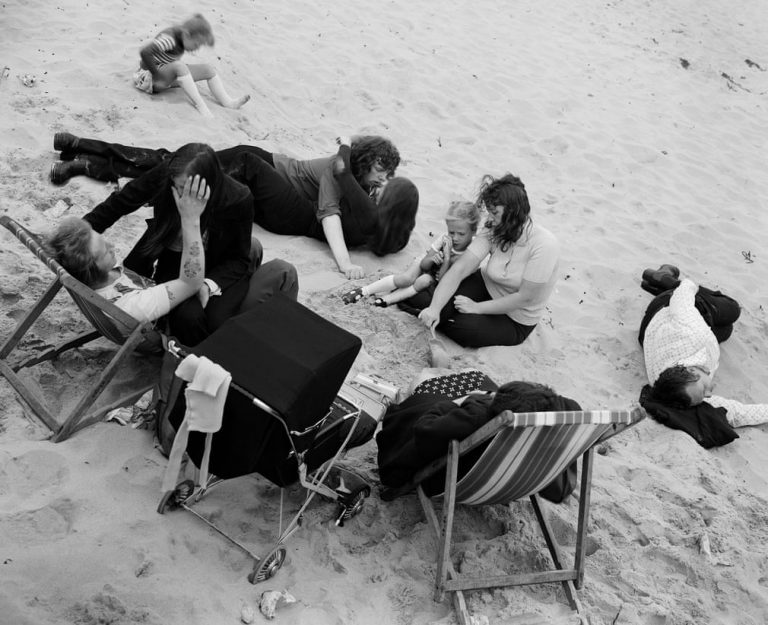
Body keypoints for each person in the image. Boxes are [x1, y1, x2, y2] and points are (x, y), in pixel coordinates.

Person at [48, 133, 419, 279]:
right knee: (171, 166)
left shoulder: (359, 186)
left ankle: (89, 159)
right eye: (380, 171)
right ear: (364, 162)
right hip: (264, 169)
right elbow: (330, 214)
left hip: (258, 178)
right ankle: (89, 154)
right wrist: (344, 264)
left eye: (390, 175)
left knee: (173, 167)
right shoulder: (338, 173)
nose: (384, 179)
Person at [74, 142, 295, 346]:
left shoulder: (237, 199)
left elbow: (238, 258)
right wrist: (80, 235)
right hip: (172, 257)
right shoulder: (171, 174)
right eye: (176, 186)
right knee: (186, 315)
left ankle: (207, 350)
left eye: (183, 188)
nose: (178, 194)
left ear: (207, 184)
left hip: (216, 266)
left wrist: (207, 284)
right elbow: (123, 200)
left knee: (206, 318)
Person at [376, 368, 579, 502]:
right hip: (505, 481)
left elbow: (424, 432)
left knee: (424, 389)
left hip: (447, 478)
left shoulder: (476, 419)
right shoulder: (553, 427)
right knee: (480, 379)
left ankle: (427, 385)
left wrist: (458, 403)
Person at [47, 176, 209, 334]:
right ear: (94, 268)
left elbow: (65, 245)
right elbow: (190, 283)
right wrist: (191, 220)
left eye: (105, 242)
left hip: (139, 282)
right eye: (105, 251)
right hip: (166, 321)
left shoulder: (83, 275)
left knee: (163, 227)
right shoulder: (134, 306)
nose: (112, 246)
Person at [414, 174, 559, 348]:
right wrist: (435, 309)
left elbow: (524, 298)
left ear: (513, 212)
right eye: (489, 212)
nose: (489, 218)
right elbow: (461, 267)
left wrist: (477, 307)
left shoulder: (544, 246)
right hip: (486, 284)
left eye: (495, 213)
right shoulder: (494, 228)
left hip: (515, 315)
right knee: (431, 304)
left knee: (463, 327)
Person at [638, 266, 768, 439]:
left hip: (666, 307)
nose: (709, 394)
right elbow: (736, 412)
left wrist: (683, 286)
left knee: (732, 309)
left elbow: (685, 291)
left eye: (705, 389)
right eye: (705, 395)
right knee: (726, 330)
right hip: (651, 331)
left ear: (691, 371)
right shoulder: (678, 390)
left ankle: (666, 280)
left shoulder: (688, 332)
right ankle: (662, 286)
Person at [340, 200, 480, 307]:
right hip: (428, 264)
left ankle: (385, 300)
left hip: (440, 276)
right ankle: (364, 291)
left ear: (473, 231)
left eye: (461, 234)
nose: (455, 238)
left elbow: (444, 280)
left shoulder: (472, 252)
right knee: (406, 279)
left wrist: (447, 258)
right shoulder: (444, 239)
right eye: (451, 232)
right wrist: (432, 259)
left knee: (423, 281)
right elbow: (424, 264)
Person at [136, 13, 250, 117]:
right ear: (186, 34)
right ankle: (201, 105)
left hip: (166, 75)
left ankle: (228, 102)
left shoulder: (182, 36)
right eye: (196, 44)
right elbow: (145, 52)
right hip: (149, 78)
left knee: (208, 69)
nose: (196, 48)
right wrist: (156, 73)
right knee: (180, 66)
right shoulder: (169, 39)